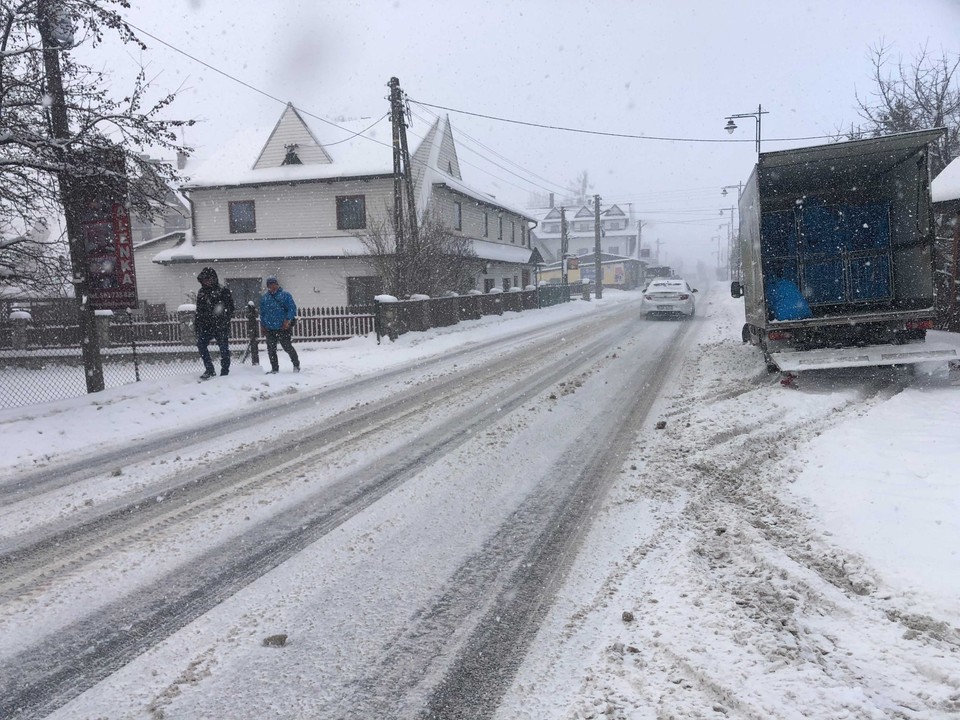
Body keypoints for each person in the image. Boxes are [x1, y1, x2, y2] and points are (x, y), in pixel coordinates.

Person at [195, 267, 235, 379]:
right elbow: (199, 310)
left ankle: (224, 372)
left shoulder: (223, 291)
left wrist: (223, 318)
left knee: (223, 349)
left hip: (220, 326)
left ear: (213, 279)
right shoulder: (201, 292)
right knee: (201, 345)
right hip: (206, 326)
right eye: (204, 280)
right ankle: (209, 369)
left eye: (208, 279)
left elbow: (230, 308)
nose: (206, 282)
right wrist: (198, 324)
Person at [259, 275, 300, 374]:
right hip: (270, 328)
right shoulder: (265, 298)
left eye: (273, 284)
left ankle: (296, 365)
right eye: (269, 284)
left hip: (283, 327)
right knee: (271, 350)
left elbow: (292, 309)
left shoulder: (285, 295)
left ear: (277, 284)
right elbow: (262, 313)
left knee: (287, 347)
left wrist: (287, 320)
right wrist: (263, 325)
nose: (271, 286)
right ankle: (274, 368)